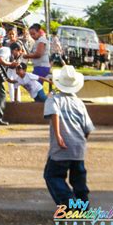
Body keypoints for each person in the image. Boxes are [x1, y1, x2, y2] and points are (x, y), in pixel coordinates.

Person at [43, 65, 95, 207]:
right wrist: (82, 141)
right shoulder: (79, 103)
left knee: (52, 175)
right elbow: (87, 127)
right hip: (78, 146)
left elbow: (55, 113)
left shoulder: (54, 99)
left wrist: (59, 135)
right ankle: (83, 206)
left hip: (61, 147)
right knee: (78, 180)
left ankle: (67, 201)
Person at [3, 28, 25, 102]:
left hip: (16, 66)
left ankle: (18, 99)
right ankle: (12, 99)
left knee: (17, 82)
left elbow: (23, 52)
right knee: (10, 83)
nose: (11, 35)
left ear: (16, 35)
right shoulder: (5, 42)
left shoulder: (19, 42)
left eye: (13, 34)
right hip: (9, 65)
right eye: (10, 34)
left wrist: (18, 59)